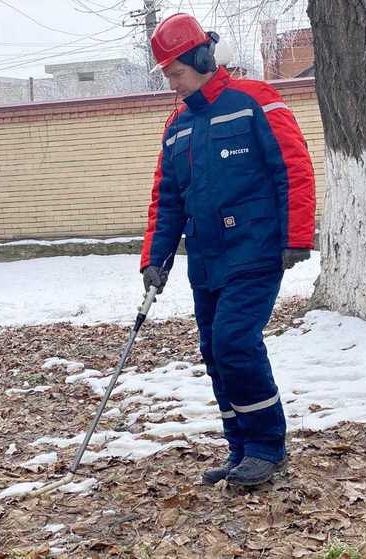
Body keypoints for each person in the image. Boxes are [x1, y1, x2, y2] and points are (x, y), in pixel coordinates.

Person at [139, 13, 316, 487]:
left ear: (201, 57)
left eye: (177, 72)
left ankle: (267, 446)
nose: (174, 84)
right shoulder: (176, 127)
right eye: (168, 76)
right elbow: (167, 198)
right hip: (207, 257)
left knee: (235, 343)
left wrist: (296, 236)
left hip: (256, 249)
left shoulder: (256, 101)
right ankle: (240, 449)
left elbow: (293, 168)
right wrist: (155, 259)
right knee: (215, 352)